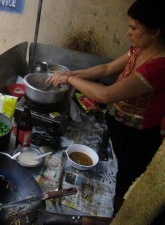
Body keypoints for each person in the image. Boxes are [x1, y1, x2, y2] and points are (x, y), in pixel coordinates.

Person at [46, 0, 165, 198]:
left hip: (135, 139)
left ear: (155, 32)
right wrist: (73, 73)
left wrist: (69, 78)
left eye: (133, 28)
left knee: (118, 187)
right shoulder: (140, 49)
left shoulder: (159, 67)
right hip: (115, 123)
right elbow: (106, 69)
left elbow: (106, 94)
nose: (128, 33)